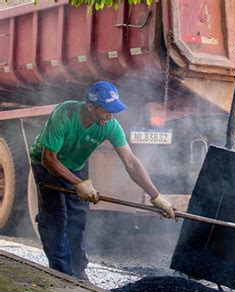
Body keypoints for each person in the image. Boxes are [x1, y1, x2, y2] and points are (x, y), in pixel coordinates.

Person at [29, 81, 176, 280]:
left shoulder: (110, 126)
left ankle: (78, 271)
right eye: (107, 110)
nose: (110, 115)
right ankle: (61, 273)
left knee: (77, 217)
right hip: (47, 165)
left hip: (76, 166)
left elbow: (131, 163)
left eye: (113, 111)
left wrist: (156, 196)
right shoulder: (65, 114)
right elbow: (49, 158)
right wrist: (78, 183)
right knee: (56, 217)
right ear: (90, 106)